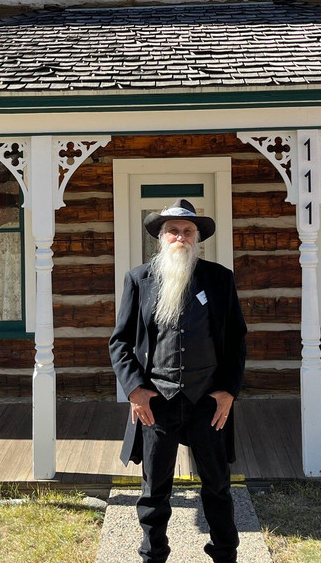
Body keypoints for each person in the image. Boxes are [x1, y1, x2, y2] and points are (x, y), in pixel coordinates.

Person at [109, 199, 248, 563]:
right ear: (161, 236)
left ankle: (224, 555)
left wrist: (228, 391)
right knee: (154, 489)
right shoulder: (139, 279)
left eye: (188, 231)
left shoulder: (219, 279)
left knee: (217, 486)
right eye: (173, 231)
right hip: (157, 401)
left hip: (208, 401)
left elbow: (236, 339)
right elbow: (120, 342)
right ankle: (152, 556)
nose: (181, 237)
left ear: (197, 237)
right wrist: (135, 391)